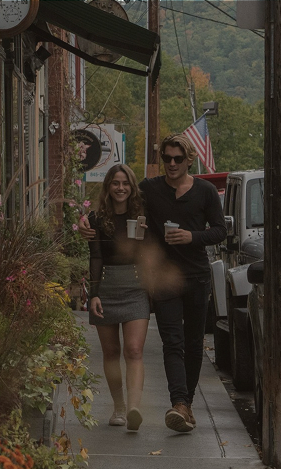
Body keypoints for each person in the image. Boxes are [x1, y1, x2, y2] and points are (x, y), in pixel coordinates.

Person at [79, 135, 226, 433]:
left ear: (189, 160)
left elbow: (221, 230)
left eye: (177, 159)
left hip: (197, 276)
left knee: (194, 342)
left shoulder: (206, 191)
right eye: (167, 158)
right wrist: (86, 221)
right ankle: (178, 404)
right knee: (172, 341)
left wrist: (192, 237)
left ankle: (187, 404)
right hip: (162, 279)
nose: (171, 164)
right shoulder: (150, 188)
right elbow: (119, 200)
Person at [85, 164, 152, 431]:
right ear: (108, 187)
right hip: (107, 288)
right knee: (111, 352)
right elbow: (96, 257)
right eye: (115, 183)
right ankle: (119, 408)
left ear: (132, 186)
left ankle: (135, 409)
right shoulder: (96, 218)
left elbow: (150, 254)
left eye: (125, 183)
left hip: (135, 287)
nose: (121, 188)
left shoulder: (144, 216)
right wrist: (94, 294)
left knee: (134, 350)